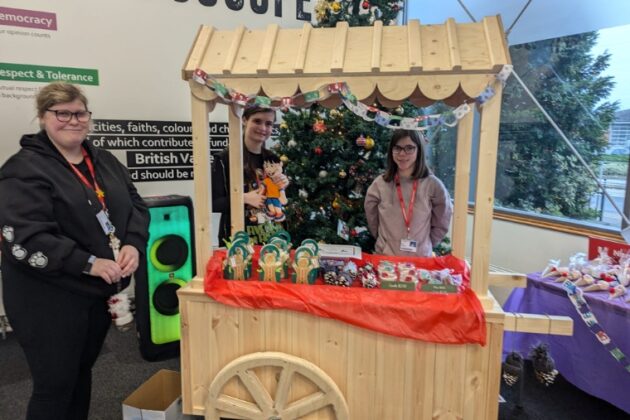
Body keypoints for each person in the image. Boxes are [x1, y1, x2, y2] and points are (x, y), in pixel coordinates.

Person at [0, 82, 150, 420]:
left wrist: (132, 244)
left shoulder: (105, 161)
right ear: (42, 117)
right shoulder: (23, 168)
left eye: (80, 113)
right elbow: (26, 234)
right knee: (54, 387)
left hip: (92, 296)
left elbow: (137, 207)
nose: (73, 120)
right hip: (46, 301)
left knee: (80, 375)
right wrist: (89, 263)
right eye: (61, 113)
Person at [364, 129, 452, 257]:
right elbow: (371, 216)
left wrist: (427, 243)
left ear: (419, 150)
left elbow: (443, 218)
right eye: (397, 148)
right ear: (391, 150)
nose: (402, 154)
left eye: (409, 148)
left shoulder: (433, 185)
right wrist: (384, 242)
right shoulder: (380, 183)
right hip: (386, 258)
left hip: (420, 261)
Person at [212, 106, 289, 245]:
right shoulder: (224, 158)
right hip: (237, 241)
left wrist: (283, 185)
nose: (263, 128)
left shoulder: (273, 159)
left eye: (268, 123)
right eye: (257, 121)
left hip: (271, 238)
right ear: (244, 120)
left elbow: (280, 199)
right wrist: (243, 198)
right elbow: (213, 203)